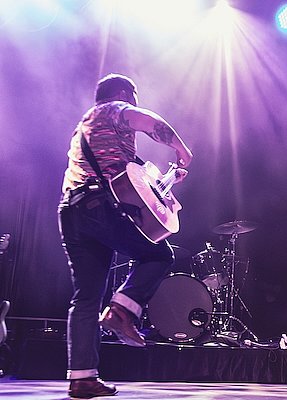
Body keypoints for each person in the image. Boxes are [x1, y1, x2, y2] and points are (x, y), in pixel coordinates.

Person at [58, 73, 193, 398]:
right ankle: (121, 311)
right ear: (122, 93)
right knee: (159, 254)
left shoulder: (87, 128)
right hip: (98, 206)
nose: (134, 101)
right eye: (133, 95)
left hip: (72, 210)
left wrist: (170, 179)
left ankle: (82, 379)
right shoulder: (112, 109)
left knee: (86, 296)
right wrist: (181, 148)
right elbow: (151, 121)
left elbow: (134, 183)